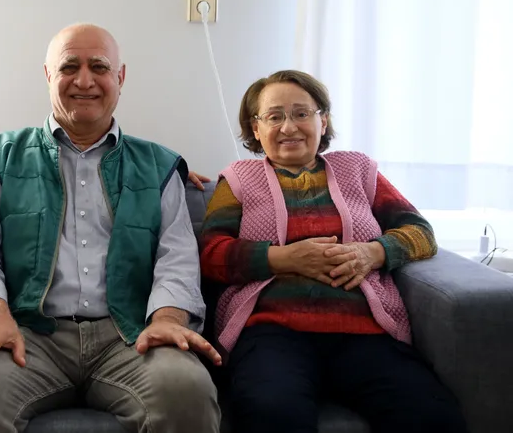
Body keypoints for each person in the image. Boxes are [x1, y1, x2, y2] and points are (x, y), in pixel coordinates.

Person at [0, 23, 222, 433]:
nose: (85, 80)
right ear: (48, 75)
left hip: (130, 336)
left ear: (120, 77)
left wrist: (167, 318)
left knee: (186, 389)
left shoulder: (159, 165)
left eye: (99, 67)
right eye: (69, 66)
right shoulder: (4, 157)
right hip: (29, 336)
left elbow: (176, 259)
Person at [199, 69, 468, 433]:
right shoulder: (238, 179)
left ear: (322, 121)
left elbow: (420, 232)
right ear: (256, 128)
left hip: (365, 334)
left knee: (432, 416)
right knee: (272, 413)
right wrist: (284, 259)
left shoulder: (358, 169)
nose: (289, 127)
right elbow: (211, 253)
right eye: (274, 117)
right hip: (272, 332)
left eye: (301, 113)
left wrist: (373, 253)